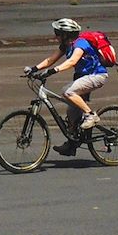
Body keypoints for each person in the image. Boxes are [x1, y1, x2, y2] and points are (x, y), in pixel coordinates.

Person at [24, 18, 108, 156]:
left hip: (97, 76)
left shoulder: (81, 43)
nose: (55, 35)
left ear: (65, 35)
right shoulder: (66, 46)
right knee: (72, 112)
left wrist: (53, 71)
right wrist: (34, 68)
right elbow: (50, 60)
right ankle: (72, 144)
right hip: (82, 78)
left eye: (57, 33)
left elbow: (72, 61)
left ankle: (91, 115)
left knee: (68, 92)